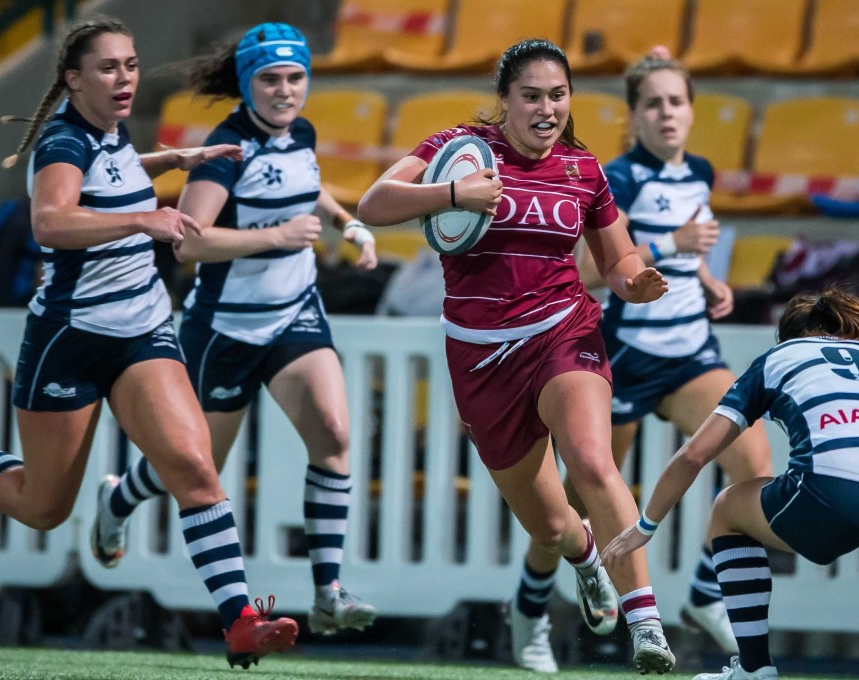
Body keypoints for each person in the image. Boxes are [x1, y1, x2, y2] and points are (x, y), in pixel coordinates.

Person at [0, 16, 297, 668]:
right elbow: (52, 219)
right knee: (41, 507)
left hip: (141, 330)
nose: (125, 78)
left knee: (196, 470)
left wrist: (173, 160)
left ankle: (240, 622)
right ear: (72, 78)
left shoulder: (105, 136)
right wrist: (146, 216)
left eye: (132, 64)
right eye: (109, 67)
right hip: (71, 339)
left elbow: (107, 171)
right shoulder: (62, 140)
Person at [358, 39, 676, 674]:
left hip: (566, 332)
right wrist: (452, 195)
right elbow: (373, 206)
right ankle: (586, 557)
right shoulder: (460, 150)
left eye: (557, 95)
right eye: (531, 95)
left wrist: (634, 281)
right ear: (504, 100)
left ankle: (646, 624)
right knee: (552, 527)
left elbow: (617, 258)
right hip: (479, 357)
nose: (546, 108)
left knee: (592, 459)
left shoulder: (583, 169)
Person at [90, 22, 380, 635]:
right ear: (248, 84)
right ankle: (118, 499)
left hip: (296, 312)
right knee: (195, 470)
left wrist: (345, 223)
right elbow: (187, 243)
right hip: (225, 329)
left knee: (332, 432)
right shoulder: (227, 148)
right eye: (270, 79)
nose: (285, 91)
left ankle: (328, 590)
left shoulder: (301, 131)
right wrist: (275, 237)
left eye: (295, 77)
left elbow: (307, 181)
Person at [505, 51, 772, 670]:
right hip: (621, 355)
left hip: (688, 353)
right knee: (572, 511)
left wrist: (703, 276)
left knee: (754, 464)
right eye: (653, 103)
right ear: (634, 116)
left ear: (692, 110)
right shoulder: (616, 178)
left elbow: (689, 240)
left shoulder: (699, 170)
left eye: (676, 101)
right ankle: (528, 609)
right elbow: (588, 272)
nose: (667, 113)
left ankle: (707, 598)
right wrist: (672, 245)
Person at [602, 288, 859, 680]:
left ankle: (754, 669)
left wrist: (644, 527)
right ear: (848, 327)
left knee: (728, 507)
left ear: (787, 336)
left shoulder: (777, 360)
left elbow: (693, 455)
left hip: (833, 491)